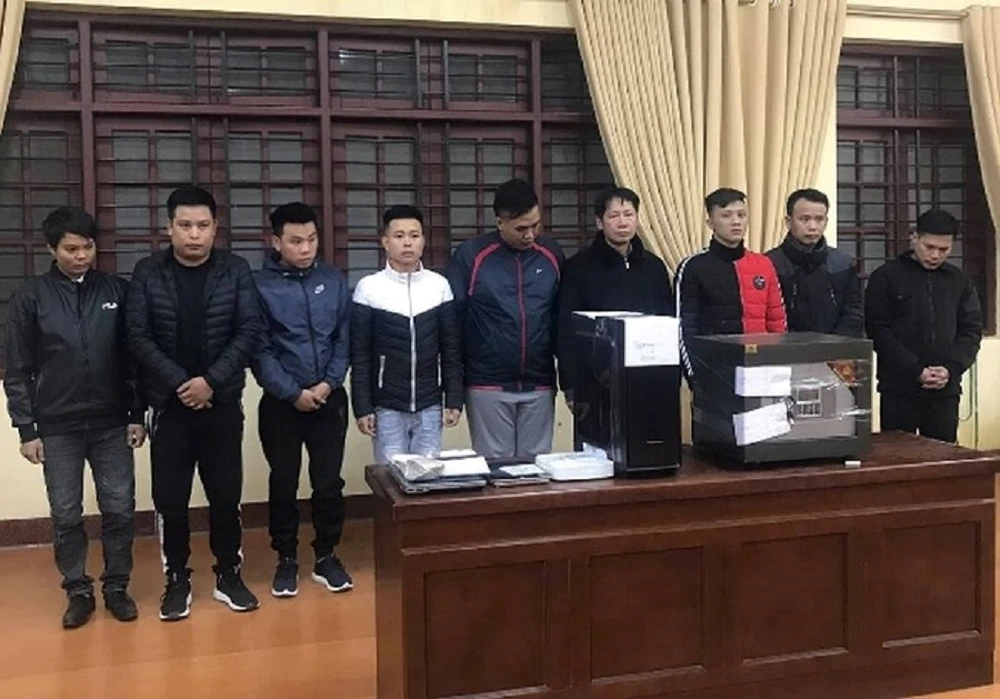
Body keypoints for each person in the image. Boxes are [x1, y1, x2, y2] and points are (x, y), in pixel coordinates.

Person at [3, 207, 145, 629]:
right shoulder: (31, 298)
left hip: (112, 422)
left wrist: (136, 414)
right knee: (66, 514)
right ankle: (78, 590)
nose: (81, 256)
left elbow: (133, 360)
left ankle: (116, 586)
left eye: (87, 247)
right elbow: (18, 369)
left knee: (119, 509)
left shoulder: (117, 291)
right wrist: (26, 429)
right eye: (71, 249)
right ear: (52, 249)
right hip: (57, 426)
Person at [127, 186, 261, 621]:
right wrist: (182, 383)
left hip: (221, 403)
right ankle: (177, 579)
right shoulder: (148, 272)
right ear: (169, 227)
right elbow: (137, 336)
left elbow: (248, 330)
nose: (194, 234)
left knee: (226, 495)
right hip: (169, 406)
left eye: (203, 225)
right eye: (185, 225)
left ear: (215, 227)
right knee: (171, 499)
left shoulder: (235, 270)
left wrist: (210, 382)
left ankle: (229, 574)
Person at [252, 202, 353, 599]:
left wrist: (329, 384)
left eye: (311, 239)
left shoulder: (333, 280)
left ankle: (327, 554)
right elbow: (259, 349)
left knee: (328, 481)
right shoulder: (260, 286)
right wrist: (293, 393)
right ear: (276, 242)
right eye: (295, 241)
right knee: (284, 481)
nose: (306, 248)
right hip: (282, 403)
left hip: (330, 399)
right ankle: (286, 558)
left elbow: (343, 339)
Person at [446, 178, 564, 458]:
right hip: (487, 382)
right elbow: (454, 323)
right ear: (500, 222)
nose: (530, 235)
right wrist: (454, 389)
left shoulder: (551, 254)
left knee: (537, 469)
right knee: (495, 471)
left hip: (540, 381)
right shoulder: (471, 255)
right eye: (521, 228)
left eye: (535, 225)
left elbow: (561, 318)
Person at [351, 205, 463, 464]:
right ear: (385, 242)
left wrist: (454, 399)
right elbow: (360, 356)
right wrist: (363, 407)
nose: (407, 243)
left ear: (423, 240)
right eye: (399, 236)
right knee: (391, 478)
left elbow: (451, 349)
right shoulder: (369, 288)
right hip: (386, 406)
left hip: (430, 404)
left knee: (427, 476)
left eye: (414, 235)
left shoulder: (439, 286)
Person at [865, 209, 983, 443]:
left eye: (943, 249)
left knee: (942, 457)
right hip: (898, 389)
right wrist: (915, 370)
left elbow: (971, 331)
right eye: (929, 247)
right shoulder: (886, 277)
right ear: (914, 238)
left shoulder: (959, 281)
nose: (935, 255)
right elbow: (878, 331)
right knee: (898, 456)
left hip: (945, 390)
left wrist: (950, 368)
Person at [557, 186, 674, 405]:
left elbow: (667, 320)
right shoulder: (579, 267)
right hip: (595, 378)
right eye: (614, 216)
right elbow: (566, 328)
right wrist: (570, 385)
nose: (623, 223)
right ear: (600, 222)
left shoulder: (654, 267)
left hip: (649, 376)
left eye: (629, 214)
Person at [675, 188, 787, 378]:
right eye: (726, 215)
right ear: (710, 223)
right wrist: (694, 374)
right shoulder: (693, 266)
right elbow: (685, 327)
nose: (736, 222)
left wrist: (778, 365)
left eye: (741, 215)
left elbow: (777, 321)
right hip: (713, 370)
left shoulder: (763, 264)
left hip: (759, 368)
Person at [766, 188, 863, 336]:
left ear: (826, 222)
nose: (812, 227)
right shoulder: (770, 264)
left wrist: (836, 344)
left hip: (836, 347)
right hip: (787, 347)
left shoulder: (843, 263)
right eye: (804, 219)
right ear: (788, 222)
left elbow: (853, 313)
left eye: (819, 219)